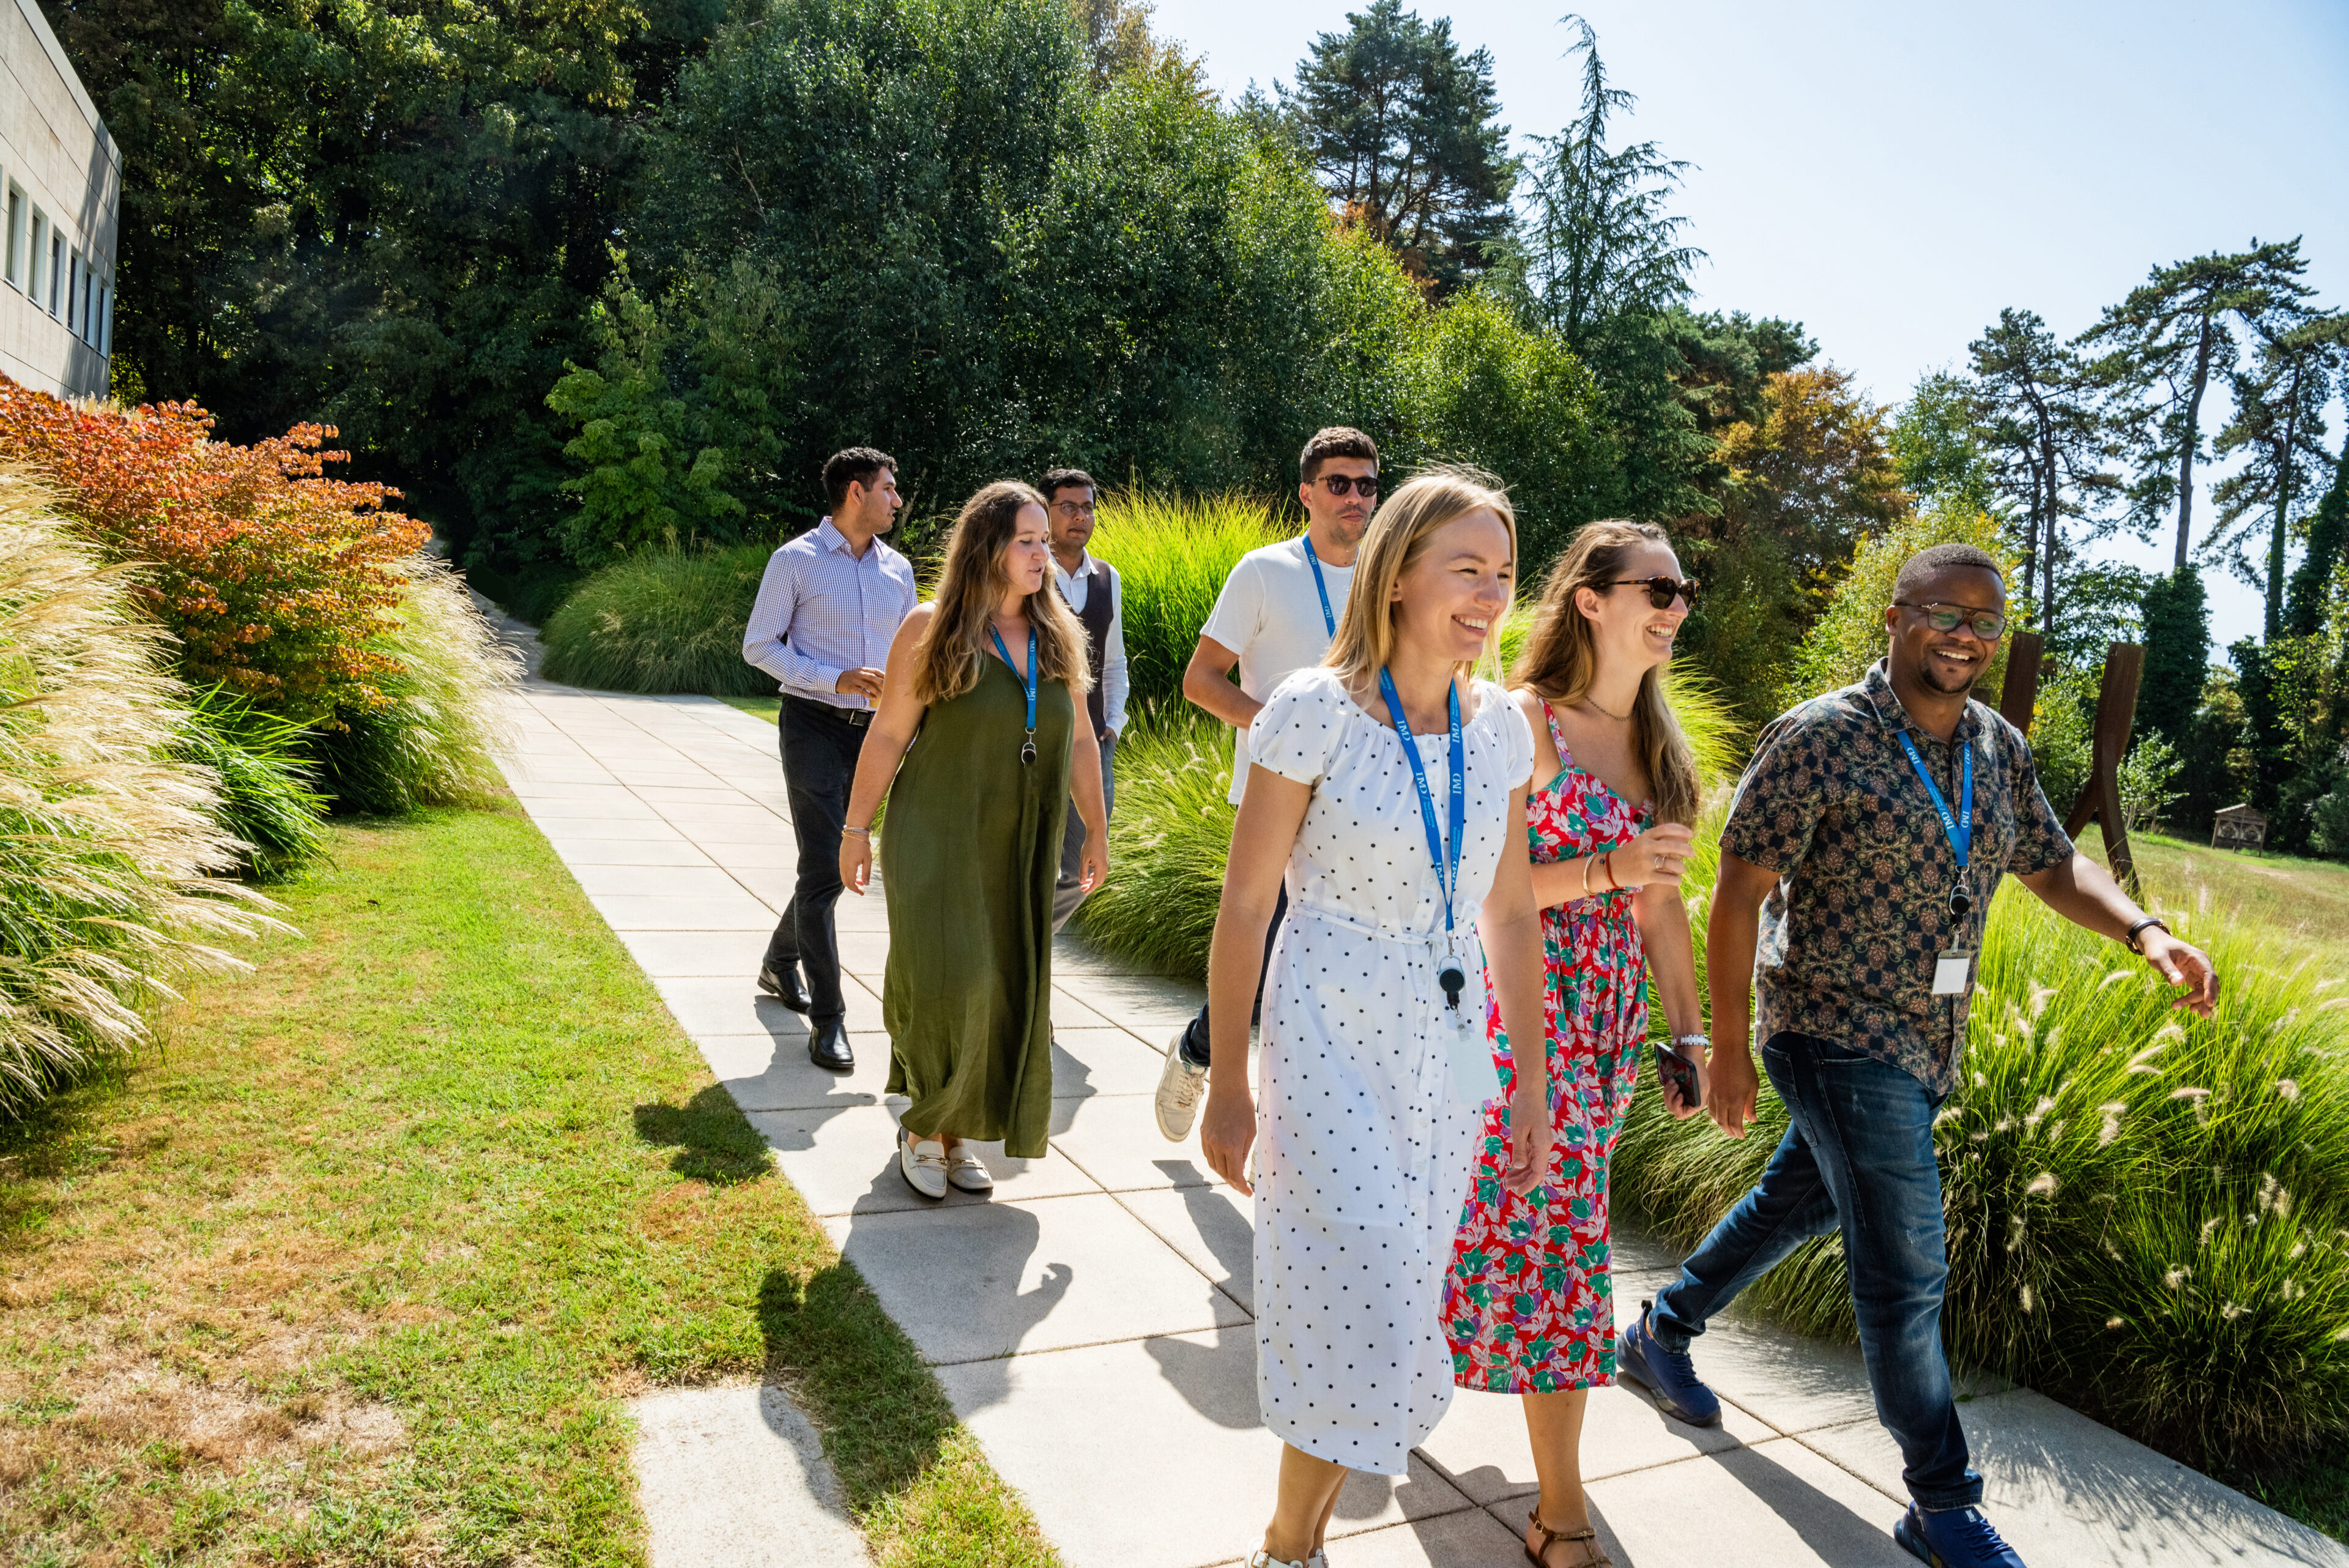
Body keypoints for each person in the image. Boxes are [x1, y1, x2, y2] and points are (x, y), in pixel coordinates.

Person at [1616, 543, 2220, 1568]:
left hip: (1926, 1039)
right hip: (1831, 1031)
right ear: (1895, 617)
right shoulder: (1820, 738)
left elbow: (2053, 860)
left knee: (1797, 1198)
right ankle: (1941, 1501)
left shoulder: (1996, 745)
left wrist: (2144, 930)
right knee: (1907, 1274)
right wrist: (1727, 1046)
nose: (1967, 636)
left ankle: (1661, 1330)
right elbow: (1738, 891)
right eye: (1946, 612)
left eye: (1987, 622)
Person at [1196, 469, 1553, 1568]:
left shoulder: (1500, 729)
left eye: (1502, 572)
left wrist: (1528, 1079)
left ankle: (1289, 1537)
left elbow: (1507, 909)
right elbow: (1248, 902)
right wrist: (1227, 1078)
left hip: (1447, 1042)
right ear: (1397, 577)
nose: (1491, 594)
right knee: (1364, 1283)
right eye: (1466, 569)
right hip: (1328, 1025)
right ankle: (1291, 1544)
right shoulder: (1312, 709)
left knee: (1401, 1286)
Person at [1442, 521, 1709, 1568]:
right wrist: (1611, 865)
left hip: (1599, 1035)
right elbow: (1484, 896)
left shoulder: (1659, 744)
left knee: (1513, 1234)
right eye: (1661, 585)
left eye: (1687, 590)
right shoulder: (1524, 721)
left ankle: (1381, 1391)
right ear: (1592, 599)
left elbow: (1663, 910)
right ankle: (1561, 1514)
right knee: (1548, 1250)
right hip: (1501, 1020)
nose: (1679, 604)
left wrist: (1687, 1034)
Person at [837, 481, 1111, 1200]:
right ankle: (925, 1126)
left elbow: (1081, 737)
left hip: (1019, 846)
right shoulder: (933, 626)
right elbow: (891, 732)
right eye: (1026, 540)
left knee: (1002, 988)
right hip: (937, 834)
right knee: (950, 980)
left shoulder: (1057, 633)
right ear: (986, 547)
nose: (1041, 554)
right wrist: (855, 827)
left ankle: (956, 1131)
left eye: (1044, 541)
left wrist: (1098, 829)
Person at [1156, 426, 1381, 1140]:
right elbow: (1200, 681)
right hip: (1276, 800)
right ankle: (1201, 1053)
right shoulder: (1263, 571)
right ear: (1306, 492)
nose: (1354, 497)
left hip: (1367, 803)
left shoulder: (1392, 573)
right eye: (1338, 483)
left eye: (1367, 484)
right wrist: (1283, 728)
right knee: (1264, 962)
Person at [742, 447, 919, 1072]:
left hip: (875, 737)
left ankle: (780, 960)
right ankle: (829, 1019)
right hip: (812, 725)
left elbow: (910, 658)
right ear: (855, 491)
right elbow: (758, 646)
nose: (896, 500)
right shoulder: (796, 560)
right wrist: (833, 677)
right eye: (889, 489)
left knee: (830, 867)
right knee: (824, 866)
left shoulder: (899, 571)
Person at [1041, 467, 1129, 931]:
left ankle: (1026, 938)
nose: (1080, 517)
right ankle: (1023, 959)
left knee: (1082, 871)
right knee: (1030, 860)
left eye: (1087, 507)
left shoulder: (1107, 577)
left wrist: (1114, 722)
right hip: (1033, 741)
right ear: (1047, 512)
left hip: (1092, 743)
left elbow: (1114, 660)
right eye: (1068, 507)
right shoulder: (1029, 571)